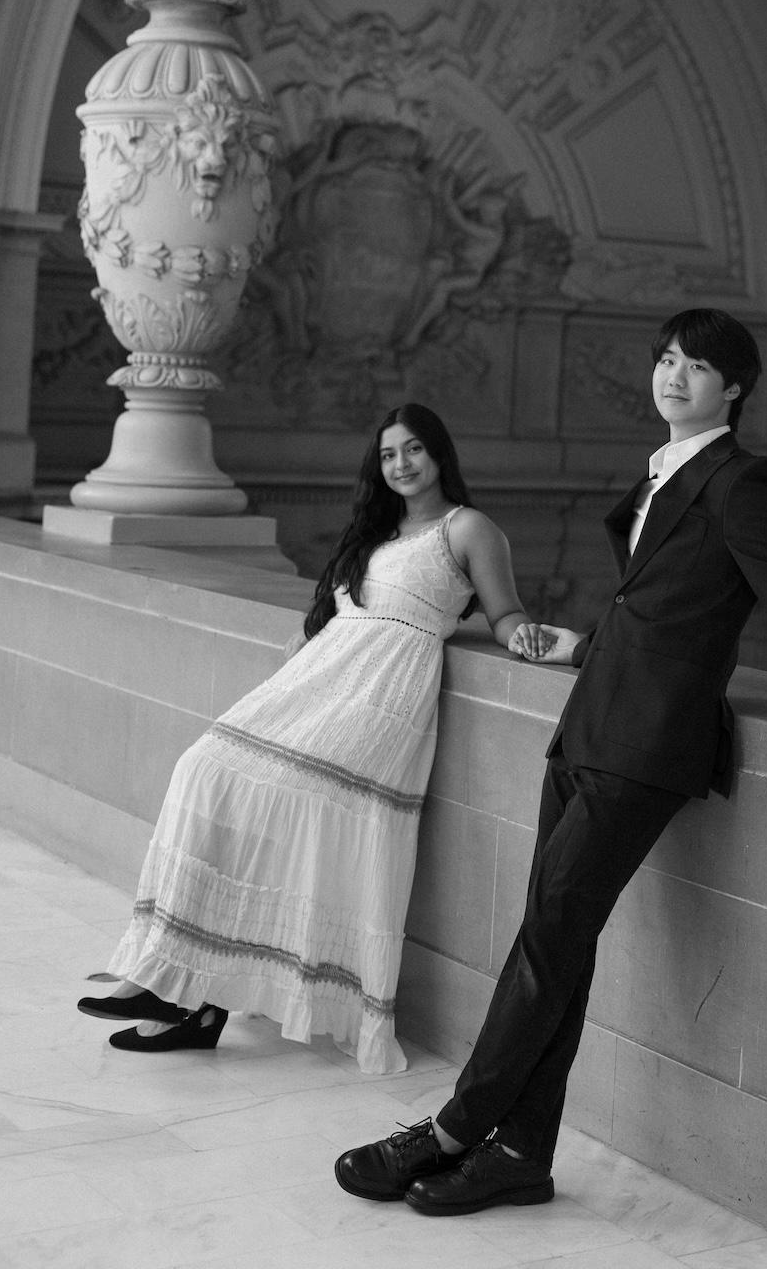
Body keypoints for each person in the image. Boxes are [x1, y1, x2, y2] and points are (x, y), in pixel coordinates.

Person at [336, 307, 767, 1213]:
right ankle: (518, 1151)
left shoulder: (745, 481)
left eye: (697, 367)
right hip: (592, 723)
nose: (674, 377)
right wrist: (579, 645)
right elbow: (658, 610)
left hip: (649, 743)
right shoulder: (663, 478)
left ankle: (450, 1131)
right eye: (668, 359)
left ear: (734, 389)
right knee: (556, 945)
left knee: (547, 941)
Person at [77, 403, 551, 1073]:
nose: (401, 465)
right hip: (320, 681)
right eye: (388, 455)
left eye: (414, 450)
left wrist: (525, 636)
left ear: (440, 454)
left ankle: (187, 993)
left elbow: (504, 612)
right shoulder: (374, 535)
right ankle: (180, 985)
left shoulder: (467, 528)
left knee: (259, 799)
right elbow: (328, 621)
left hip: (380, 698)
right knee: (202, 768)